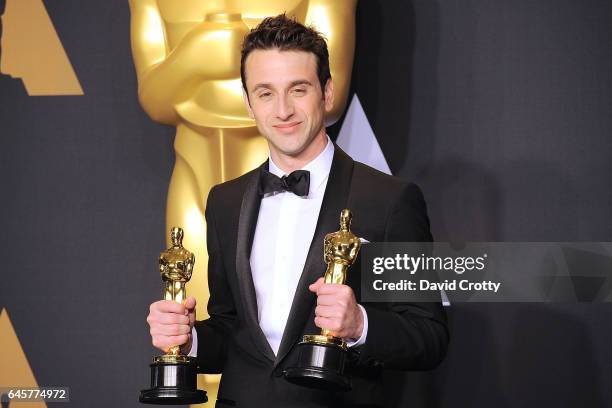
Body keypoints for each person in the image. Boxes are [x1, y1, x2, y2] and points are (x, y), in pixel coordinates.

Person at [146, 14, 449, 408]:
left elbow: (429, 338)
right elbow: (232, 328)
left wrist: (360, 325)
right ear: (248, 103)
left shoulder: (390, 200)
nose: (283, 110)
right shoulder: (225, 201)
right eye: (265, 93)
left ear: (326, 92)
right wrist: (190, 339)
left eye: (298, 89)